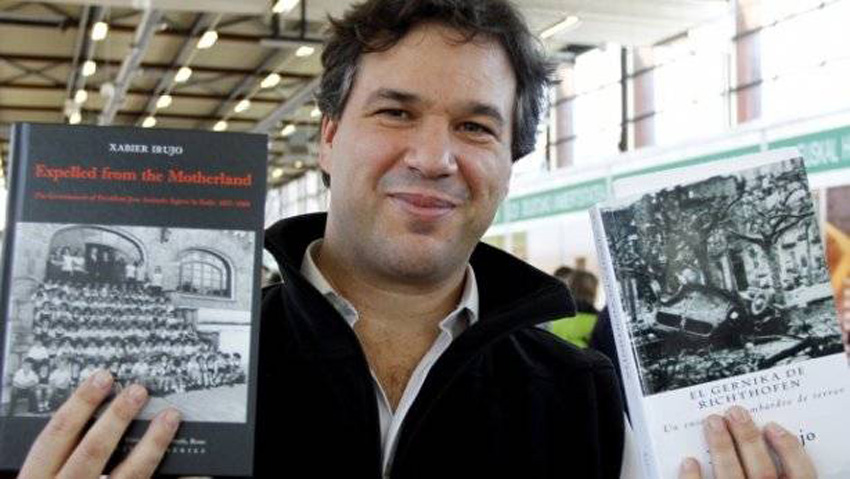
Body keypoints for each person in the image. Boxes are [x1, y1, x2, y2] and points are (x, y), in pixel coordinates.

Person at [17, 1, 817, 478]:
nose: (434, 157)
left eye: (475, 125)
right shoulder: (165, 383)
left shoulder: (589, 401)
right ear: (328, 138)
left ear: (508, 161)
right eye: (395, 111)